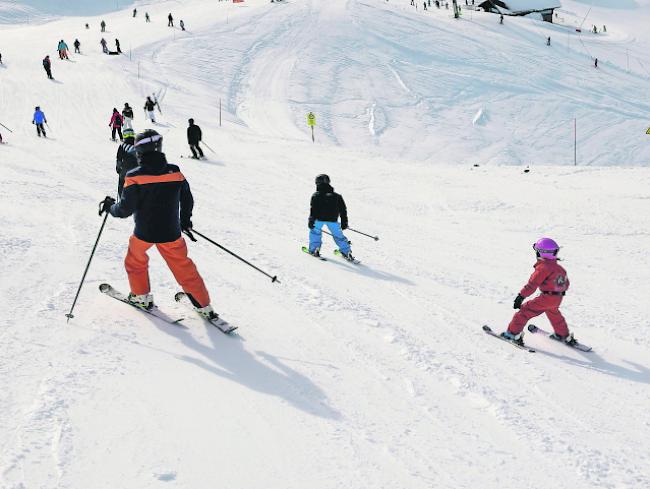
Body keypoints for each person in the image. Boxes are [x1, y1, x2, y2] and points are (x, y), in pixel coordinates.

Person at [99, 129, 217, 318]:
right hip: (171, 232)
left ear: (139, 151)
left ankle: (141, 296)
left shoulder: (134, 176)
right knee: (184, 267)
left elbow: (124, 210)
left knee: (135, 261)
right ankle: (203, 305)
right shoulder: (175, 172)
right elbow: (187, 199)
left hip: (144, 233)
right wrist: (185, 221)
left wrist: (110, 206)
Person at [501, 238, 574, 346]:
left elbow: (532, 285)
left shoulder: (543, 267)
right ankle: (562, 335)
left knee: (524, 311)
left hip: (546, 298)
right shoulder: (560, 269)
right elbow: (566, 284)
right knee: (554, 314)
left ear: (541, 252)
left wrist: (521, 296)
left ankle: (512, 334)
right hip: (557, 298)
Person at [307, 174, 355, 261]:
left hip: (318, 220)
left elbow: (313, 209)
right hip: (332, 220)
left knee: (315, 233)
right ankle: (346, 251)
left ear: (317, 183)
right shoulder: (337, 196)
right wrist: (344, 222)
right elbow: (343, 210)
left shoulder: (316, 195)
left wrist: (311, 220)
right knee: (338, 235)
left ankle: (314, 249)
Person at [115, 128, 138, 196]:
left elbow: (119, 159)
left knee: (122, 185)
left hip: (125, 170)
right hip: (137, 170)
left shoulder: (122, 146)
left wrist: (118, 169)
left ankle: (122, 201)